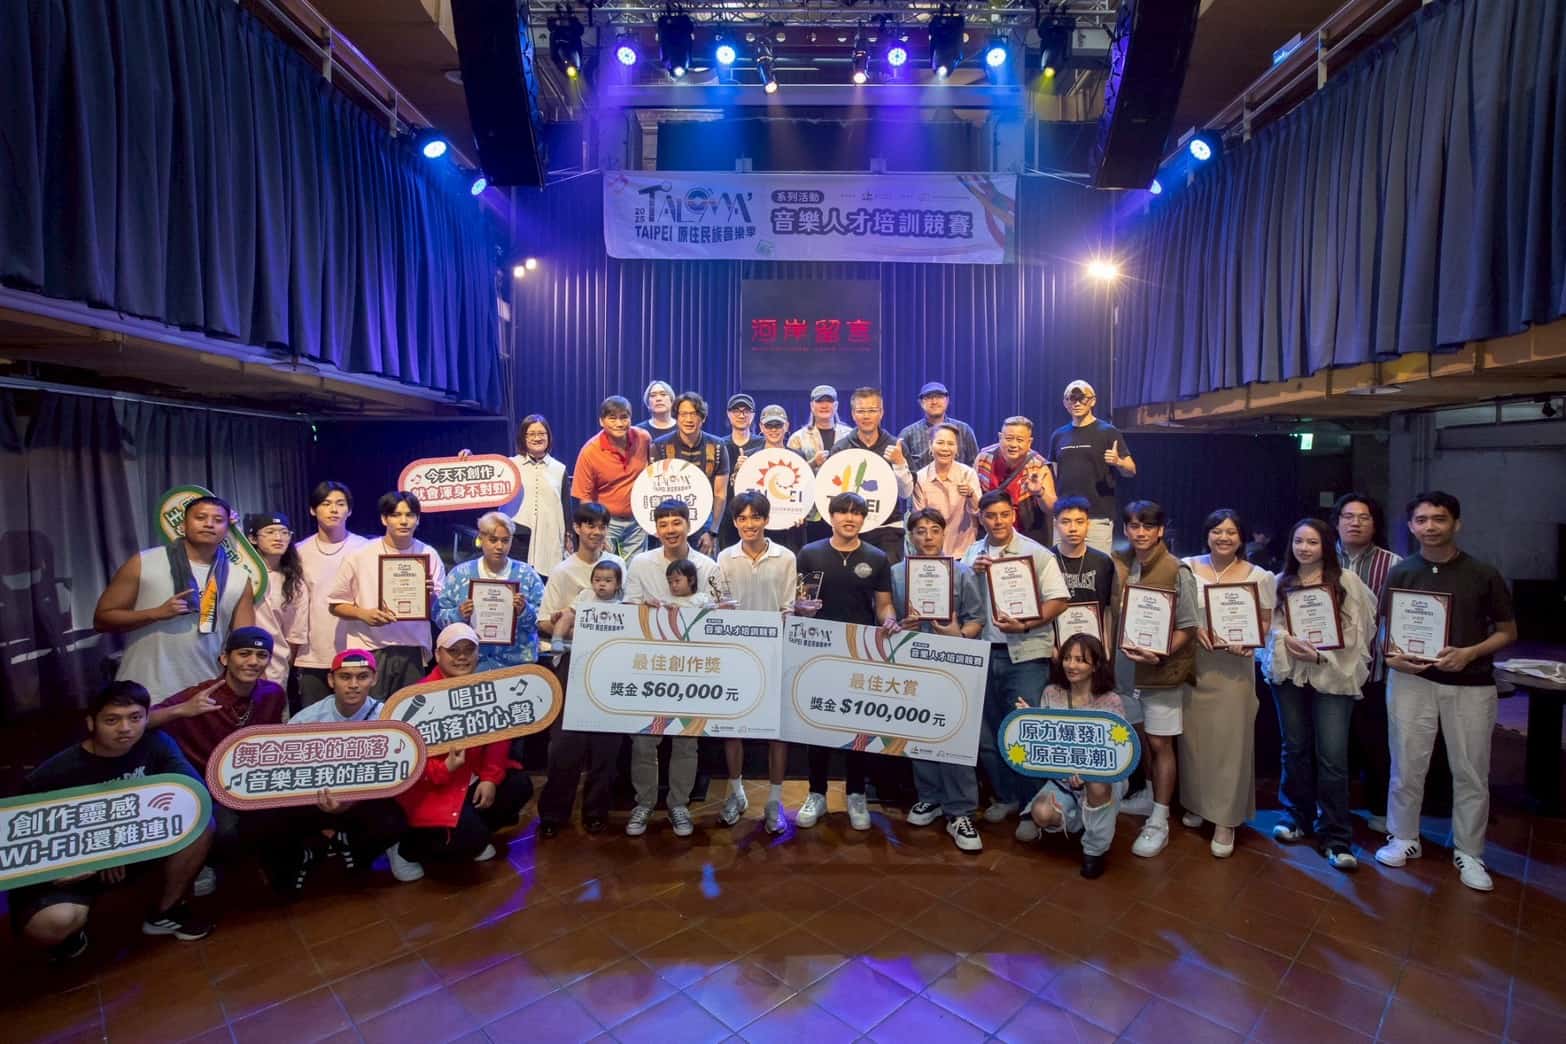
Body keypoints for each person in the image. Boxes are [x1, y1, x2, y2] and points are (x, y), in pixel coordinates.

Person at [1376, 491, 1516, 892]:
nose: (1430, 527)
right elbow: (1386, 629)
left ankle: (1470, 851)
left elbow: (1508, 631)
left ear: (1457, 524)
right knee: (1406, 765)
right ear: (1410, 527)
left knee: (1471, 770)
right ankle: (1403, 837)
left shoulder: (1483, 574)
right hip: (1411, 682)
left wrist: (1470, 652)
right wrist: (1391, 656)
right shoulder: (1401, 572)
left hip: (1471, 685)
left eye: (1439, 519)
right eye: (1421, 520)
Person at [11, 682, 214, 959]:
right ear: (91, 723)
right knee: (54, 923)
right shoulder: (53, 774)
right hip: (73, 864)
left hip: (133, 848)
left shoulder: (158, 743)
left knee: (201, 823)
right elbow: (23, 839)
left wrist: (118, 847)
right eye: (112, 720)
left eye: (135, 717)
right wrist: (75, 862)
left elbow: (193, 795)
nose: (125, 728)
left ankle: (166, 911)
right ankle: (70, 933)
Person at [1263, 518, 1375, 871]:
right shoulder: (1279, 582)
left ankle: (1336, 836)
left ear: (1326, 545)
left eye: (1312, 542)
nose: (1304, 548)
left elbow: (1359, 632)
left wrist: (1321, 655)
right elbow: (1267, 628)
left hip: (1333, 675)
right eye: (1298, 541)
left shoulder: (1347, 582)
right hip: (1289, 675)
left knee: (1332, 756)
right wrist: (1285, 640)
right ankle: (1295, 816)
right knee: (1294, 748)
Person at [387, 624, 536, 880]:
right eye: (453, 651)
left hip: (470, 780)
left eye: (469, 650)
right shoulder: (417, 697)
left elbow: (499, 737)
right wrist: (443, 769)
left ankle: (471, 831)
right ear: (438, 654)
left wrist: (490, 778)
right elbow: (407, 760)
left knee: (519, 785)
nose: (462, 657)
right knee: (469, 839)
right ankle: (404, 848)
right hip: (433, 788)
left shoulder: (485, 688)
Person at [150, 626, 289, 891]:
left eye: (261, 655)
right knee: (225, 830)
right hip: (208, 787)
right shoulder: (201, 696)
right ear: (225, 658)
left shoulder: (272, 694)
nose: (253, 661)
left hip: (252, 783)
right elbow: (141, 721)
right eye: (244, 653)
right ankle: (209, 865)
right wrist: (181, 710)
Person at [962, 490, 1070, 828]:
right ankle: (1006, 796)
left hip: (1025, 655)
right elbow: (961, 601)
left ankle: (1031, 806)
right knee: (988, 734)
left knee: (1025, 730)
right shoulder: (971, 553)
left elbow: (1059, 600)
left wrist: (1026, 623)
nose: (997, 521)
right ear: (981, 518)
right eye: (990, 515)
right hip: (982, 653)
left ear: (1013, 515)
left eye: (1003, 514)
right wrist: (970, 573)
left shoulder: (1036, 553)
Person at [792, 492, 900, 830]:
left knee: (857, 724)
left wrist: (888, 620)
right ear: (831, 516)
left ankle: (856, 794)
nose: (849, 518)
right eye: (843, 512)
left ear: (864, 519)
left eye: (856, 513)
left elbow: (883, 604)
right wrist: (800, 608)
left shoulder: (877, 558)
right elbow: (800, 599)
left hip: (860, 652)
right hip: (818, 652)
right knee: (817, 722)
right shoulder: (809, 553)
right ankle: (817, 793)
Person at [273, 650, 410, 893]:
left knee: (396, 818)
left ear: (374, 679)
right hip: (314, 799)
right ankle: (312, 848)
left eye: (362, 676)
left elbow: (396, 771)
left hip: (363, 801)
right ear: (331, 680)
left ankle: (352, 846)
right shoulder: (307, 719)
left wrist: (351, 801)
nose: (353, 685)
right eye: (345, 677)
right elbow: (285, 770)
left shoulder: (388, 718)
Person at [619, 500, 719, 837]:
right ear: (655, 528)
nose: (670, 530)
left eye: (677, 522)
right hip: (649, 665)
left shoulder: (707, 566)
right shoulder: (640, 563)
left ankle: (679, 804)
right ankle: (644, 802)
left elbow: (718, 617)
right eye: (663, 524)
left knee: (686, 741)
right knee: (644, 740)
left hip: (692, 668)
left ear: (689, 525)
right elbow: (629, 611)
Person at [1179, 509, 1275, 858]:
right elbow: (1177, 611)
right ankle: (1198, 804)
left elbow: (1265, 621)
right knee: (1194, 742)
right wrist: (1195, 629)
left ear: (1241, 537)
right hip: (1195, 665)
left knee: (1232, 744)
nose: (1223, 537)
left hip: (1234, 668)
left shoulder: (1259, 576)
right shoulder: (1186, 567)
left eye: (1231, 532)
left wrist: (1250, 640)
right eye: (1217, 531)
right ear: (1206, 534)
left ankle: (1225, 819)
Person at [94, 495, 256, 699]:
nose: (209, 524)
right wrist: (155, 614)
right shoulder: (145, 562)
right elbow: (102, 619)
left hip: (207, 690)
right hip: (146, 690)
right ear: (182, 525)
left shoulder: (239, 577)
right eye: (200, 517)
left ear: (227, 530)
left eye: (218, 520)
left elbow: (244, 642)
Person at [892, 508, 985, 851]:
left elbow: (977, 619)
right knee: (919, 729)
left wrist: (959, 633)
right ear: (910, 536)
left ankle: (960, 810)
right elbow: (886, 618)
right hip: (913, 663)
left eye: (934, 530)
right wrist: (899, 625)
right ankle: (929, 796)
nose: (928, 537)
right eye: (920, 531)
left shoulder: (961, 573)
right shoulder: (897, 574)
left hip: (954, 665)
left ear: (944, 534)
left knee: (955, 733)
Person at [1115, 500, 1199, 859]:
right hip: (1125, 671)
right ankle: (1149, 796)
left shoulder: (1176, 569)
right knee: (1142, 737)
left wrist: (1161, 652)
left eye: (1148, 526)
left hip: (1161, 670)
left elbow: (1189, 625)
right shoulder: (1119, 563)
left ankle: (1160, 820)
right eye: (1134, 526)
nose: (1141, 532)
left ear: (1161, 530)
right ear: (1125, 529)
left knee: (1161, 742)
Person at [714, 491, 798, 833]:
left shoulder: (786, 557)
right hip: (736, 656)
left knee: (778, 732)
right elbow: (719, 604)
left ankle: (774, 801)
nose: (749, 524)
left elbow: (789, 606)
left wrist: (794, 616)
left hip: (776, 654)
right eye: (742, 518)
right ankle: (737, 794)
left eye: (755, 517)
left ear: (766, 520)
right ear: (735, 522)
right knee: (733, 728)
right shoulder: (724, 557)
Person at [1019, 635, 1125, 879]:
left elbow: (1118, 752)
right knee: (1042, 814)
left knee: (1096, 784)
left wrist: (1087, 774)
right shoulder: (1051, 693)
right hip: (1062, 778)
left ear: (1095, 665)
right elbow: (1045, 741)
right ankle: (1081, 820)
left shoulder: (1111, 701)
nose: (1071, 665)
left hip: (1103, 778)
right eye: (1067, 658)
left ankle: (1094, 849)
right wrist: (1028, 719)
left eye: (1080, 660)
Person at [536, 558, 624, 838]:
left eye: (608, 581)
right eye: (598, 580)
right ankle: (553, 813)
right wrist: (564, 633)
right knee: (564, 744)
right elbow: (554, 619)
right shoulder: (577, 588)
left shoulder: (624, 599)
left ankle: (596, 812)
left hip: (611, 671)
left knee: (605, 746)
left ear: (618, 583)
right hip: (573, 664)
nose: (602, 584)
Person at [327, 492, 445, 698]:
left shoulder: (429, 554)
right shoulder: (360, 555)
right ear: (384, 519)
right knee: (371, 711)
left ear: (418, 519)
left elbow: (437, 607)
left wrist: (430, 595)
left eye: (409, 515)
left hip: (412, 647)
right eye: (396, 515)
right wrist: (363, 614)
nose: (403, 521)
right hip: (370, 647)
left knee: (408, 710)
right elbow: (335, 604)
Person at [1333, 492, 1401, 834]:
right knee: (1332, 747)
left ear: (1375, 524)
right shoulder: (1319, 555)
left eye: (1364, 517)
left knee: (1376, 745)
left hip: (1374, 671)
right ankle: (1332, 810)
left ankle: (1378, 809)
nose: (1355, 523)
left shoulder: (1394, 564)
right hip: (1328, 671)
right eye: (1348, 516)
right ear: (1337, 522)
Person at [293, 481, 369, 710]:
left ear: (350, 510)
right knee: (316, 720)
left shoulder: (365, 548)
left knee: (360, 721)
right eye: (326, 504)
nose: (333, 509)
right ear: (313, 509)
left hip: (358, 650)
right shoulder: (299, 552)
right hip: (313, 653)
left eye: (340, 504)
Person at [435, 511, 545, 671]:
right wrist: (458, 614)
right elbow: (438, 616)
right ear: (481, 538)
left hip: (517, 666)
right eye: (493, 540)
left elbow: (543, 621)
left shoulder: (527, 575)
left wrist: (524, 611)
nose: (499, 547)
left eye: (505, 540)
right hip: (471, 667)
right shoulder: (459, 575)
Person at [1048, 381, 1135, 554]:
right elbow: (1053, 473)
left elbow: (1131, 470)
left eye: (1082, 398)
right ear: (1065, 403)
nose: (1077, 403)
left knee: (1098, 567)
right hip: (1064, 516)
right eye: (1071, 399)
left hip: (1097, 516)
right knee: (1061, 566)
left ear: (1092, 401)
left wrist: (1118, 461)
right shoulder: (1058, 435)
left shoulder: (1108, 431)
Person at [831, 387, 913, 564]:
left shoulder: (895, 446)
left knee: (887, 577)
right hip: (850, 529)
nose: (866, 416)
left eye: (872, 410)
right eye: (861, 411)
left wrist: (899, 463)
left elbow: (906, 493)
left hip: (888, 529)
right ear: (853, 414)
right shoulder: (841, 448)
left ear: (881, 413)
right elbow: (830, 492)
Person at [572, 396, 654, 560]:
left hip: (637, 521)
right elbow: (585, 498)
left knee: (635, 569)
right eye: (612, 418)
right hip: (606, 523)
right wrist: (596, 529)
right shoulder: (590, 451)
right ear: (601, 421)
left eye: (624, 417)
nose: (619, 423)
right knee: (604, 568)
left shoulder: (643, 438)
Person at [652, 391, 731, 556]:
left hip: (704, 522)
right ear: (676, 417)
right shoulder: (659, 446)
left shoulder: (717, 446)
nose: (688, 419)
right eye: (683, 414)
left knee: (703, 568)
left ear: (702, 418)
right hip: (669, 521)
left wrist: (712, 531)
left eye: (694, 414)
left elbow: (720, 493)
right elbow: (652, 489)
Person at [245, 512, 307, 688]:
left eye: (284, 532)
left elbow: (294, 634)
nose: (278, 538)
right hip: (238, 663)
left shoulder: (294, 584)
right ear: (253, 538)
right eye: (270, 532)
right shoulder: (240, 574)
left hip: (275, 668)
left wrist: (284, 666)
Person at [976, 417, 1056, 548]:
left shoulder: (1038, 465)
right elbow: (976, 499)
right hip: (990, 534)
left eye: (1019, 440)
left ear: (1029, 442)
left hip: (1027, 536)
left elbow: (1052, 508)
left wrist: (1039, 492)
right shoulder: (983, 458)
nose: (1013, 445)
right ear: (1000, 437)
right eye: (1009, 438)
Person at [505, 414, 570, 574]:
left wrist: (569, 536)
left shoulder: (559, 469)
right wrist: (469, 459)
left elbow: (566, 507)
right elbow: (486, 478)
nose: (537, 438)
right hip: (518, 536)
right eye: (531, 434)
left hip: (548, 539)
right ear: (523, 437)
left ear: (548, 436)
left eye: (541, 433)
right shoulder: (510, 465)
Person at [911, 424, 981, 556]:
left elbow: (979, 512)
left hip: (964, 550)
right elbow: (919, 518)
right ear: (930, 445)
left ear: (957, 448)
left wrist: (971, 494)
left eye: (951, 444)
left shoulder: (968, 474)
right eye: (940, 443)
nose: (945, 448)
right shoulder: (920, 478)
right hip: (931, 551)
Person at [896, 382, 980, 473]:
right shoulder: (908, 433)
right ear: (921, 402)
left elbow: (975, 464)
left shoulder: (964, 430)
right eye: (929, 398)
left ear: (947, 400)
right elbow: (900, 468)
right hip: (920, 482)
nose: (934, 402)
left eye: (939, 397)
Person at [717, 394, 760, 549]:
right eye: (736, 411)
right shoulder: (719, 445)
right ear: (728, 414)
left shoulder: (762, 444)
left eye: (746, 411)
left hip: (756, 514)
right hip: (727, 516)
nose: (741, 415)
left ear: (753, 415)